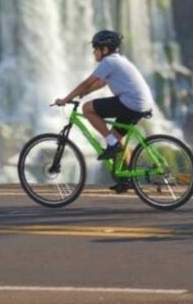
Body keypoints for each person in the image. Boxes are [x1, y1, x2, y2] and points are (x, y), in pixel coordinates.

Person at [53, 30, 155, 193]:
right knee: (117, 137)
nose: (93, 52)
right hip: (139, 104)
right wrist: (85, 93)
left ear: (105, 49)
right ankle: (127, 178)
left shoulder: (108, 62)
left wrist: (66, 99)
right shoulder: (118, 61)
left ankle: (112, 144)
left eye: (95, 48)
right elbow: (100, 83)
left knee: (87, 109)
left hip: (131, 103)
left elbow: (87, 82)